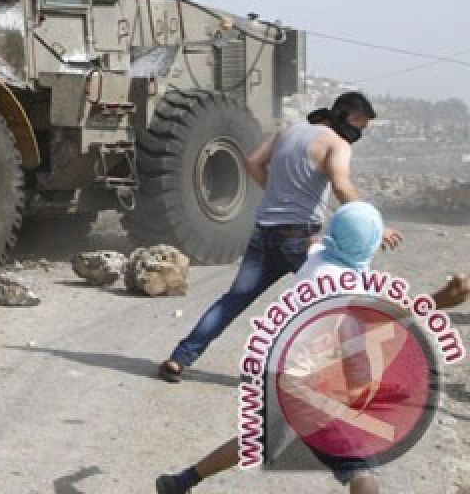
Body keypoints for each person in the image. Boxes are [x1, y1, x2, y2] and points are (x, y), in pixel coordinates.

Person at [160, 91, 401, 383]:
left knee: (233, 300)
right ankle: (355, 378)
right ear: (344, 116)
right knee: (339, 300)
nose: (359, 133)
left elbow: (252, 163)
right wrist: (374, 224)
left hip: (264, 232)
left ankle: (179, 358)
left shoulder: (290, 131)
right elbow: (341, 185)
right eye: (359, 125)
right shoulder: (337, 145)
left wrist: (277, 193)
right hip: (301, 239)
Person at [156, 202, 388, 493]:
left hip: (278, 369)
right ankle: (182, 481)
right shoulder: (348, 291)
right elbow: (357, 354)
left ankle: (182, 482)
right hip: (306, 386)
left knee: (259, 438)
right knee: (360, 467)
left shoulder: (317, 259)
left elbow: (317, 244)